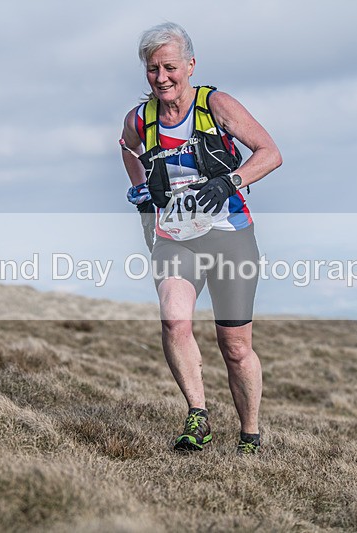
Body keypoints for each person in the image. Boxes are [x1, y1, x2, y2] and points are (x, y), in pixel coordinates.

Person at [120, 22, 282, 454]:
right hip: (175, 238)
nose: (161, 78)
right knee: (174, 321)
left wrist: (230, 181)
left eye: (170, 67)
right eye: (152, 69)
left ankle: (249, 436)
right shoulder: (140, 119)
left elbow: (270, 153)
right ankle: (198, 416)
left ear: (190, 65)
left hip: (230, 235)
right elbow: (127, 146)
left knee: (236, 346)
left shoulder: (216, 105)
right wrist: (140, 189)